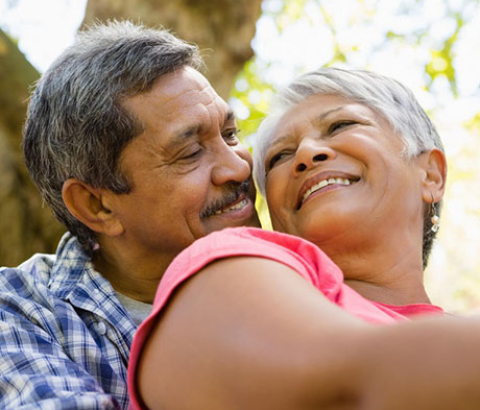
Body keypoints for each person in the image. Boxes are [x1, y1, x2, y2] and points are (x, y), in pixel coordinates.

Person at [128, 68, 480, 410]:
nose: (307, 153)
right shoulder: (220, 269)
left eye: (341, 125)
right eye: (280, 156)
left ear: (431, 174)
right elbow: (359, 383)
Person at [0, 20, 260, 409]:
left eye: (230, 134)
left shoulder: (315, 265)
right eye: (190, 153)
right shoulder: (21, 310)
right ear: (97, 205)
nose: (238, 168)